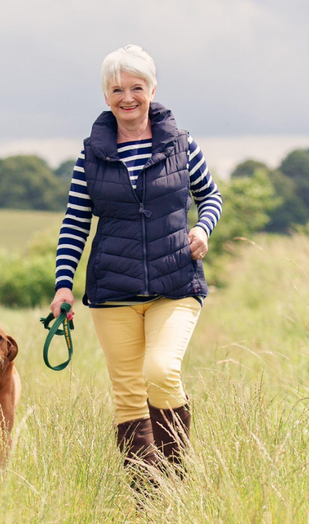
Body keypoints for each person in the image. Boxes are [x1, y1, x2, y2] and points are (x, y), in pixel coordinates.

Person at [50, 44, 223, 481]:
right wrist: (63, 284)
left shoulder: (182, 146)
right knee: (127, 394)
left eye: (136, 87)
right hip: (112, 290)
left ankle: (175, 481)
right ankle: (148, 499)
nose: (127, 97)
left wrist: (202, 228)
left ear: (152, 89)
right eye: (116, 89)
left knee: (161, 372)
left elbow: (211, 197)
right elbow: (75, 223)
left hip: (176, 284)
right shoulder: (90, 157)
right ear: (105, 96)